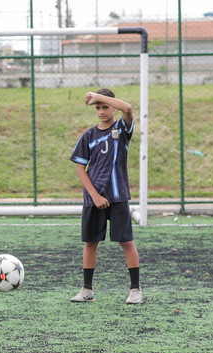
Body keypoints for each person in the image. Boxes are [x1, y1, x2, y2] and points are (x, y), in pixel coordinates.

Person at [69, 88, 142, 304]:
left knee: (126, 241)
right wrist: (94, 195)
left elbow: (127, 108)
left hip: (118, 197)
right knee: (90, 242)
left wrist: (98, 96)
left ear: (112, 106)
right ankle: (87, 290)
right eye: (98, 107)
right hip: (94, 198)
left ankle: (135, 289)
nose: (101, 111)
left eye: (105, 106)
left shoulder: (122, 128)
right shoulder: (89, 135)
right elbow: (81, 169)